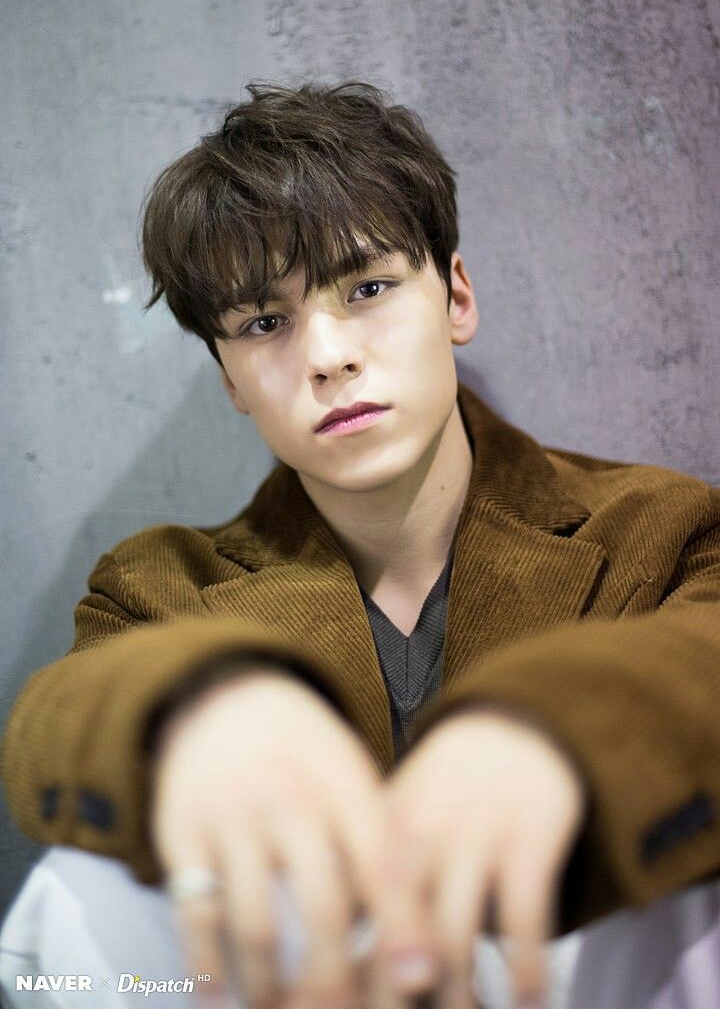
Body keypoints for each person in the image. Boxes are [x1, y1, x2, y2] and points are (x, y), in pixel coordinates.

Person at [1, 79, 719, 1009]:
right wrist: (195, 711)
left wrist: (558, 730)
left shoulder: (658, 525)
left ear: (455, 296)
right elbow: (53, 728)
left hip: (569, 964)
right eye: (265, 323)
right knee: (84, 893)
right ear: (231, 381)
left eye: (368, 288)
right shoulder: (160, 584)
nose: (327, 357)